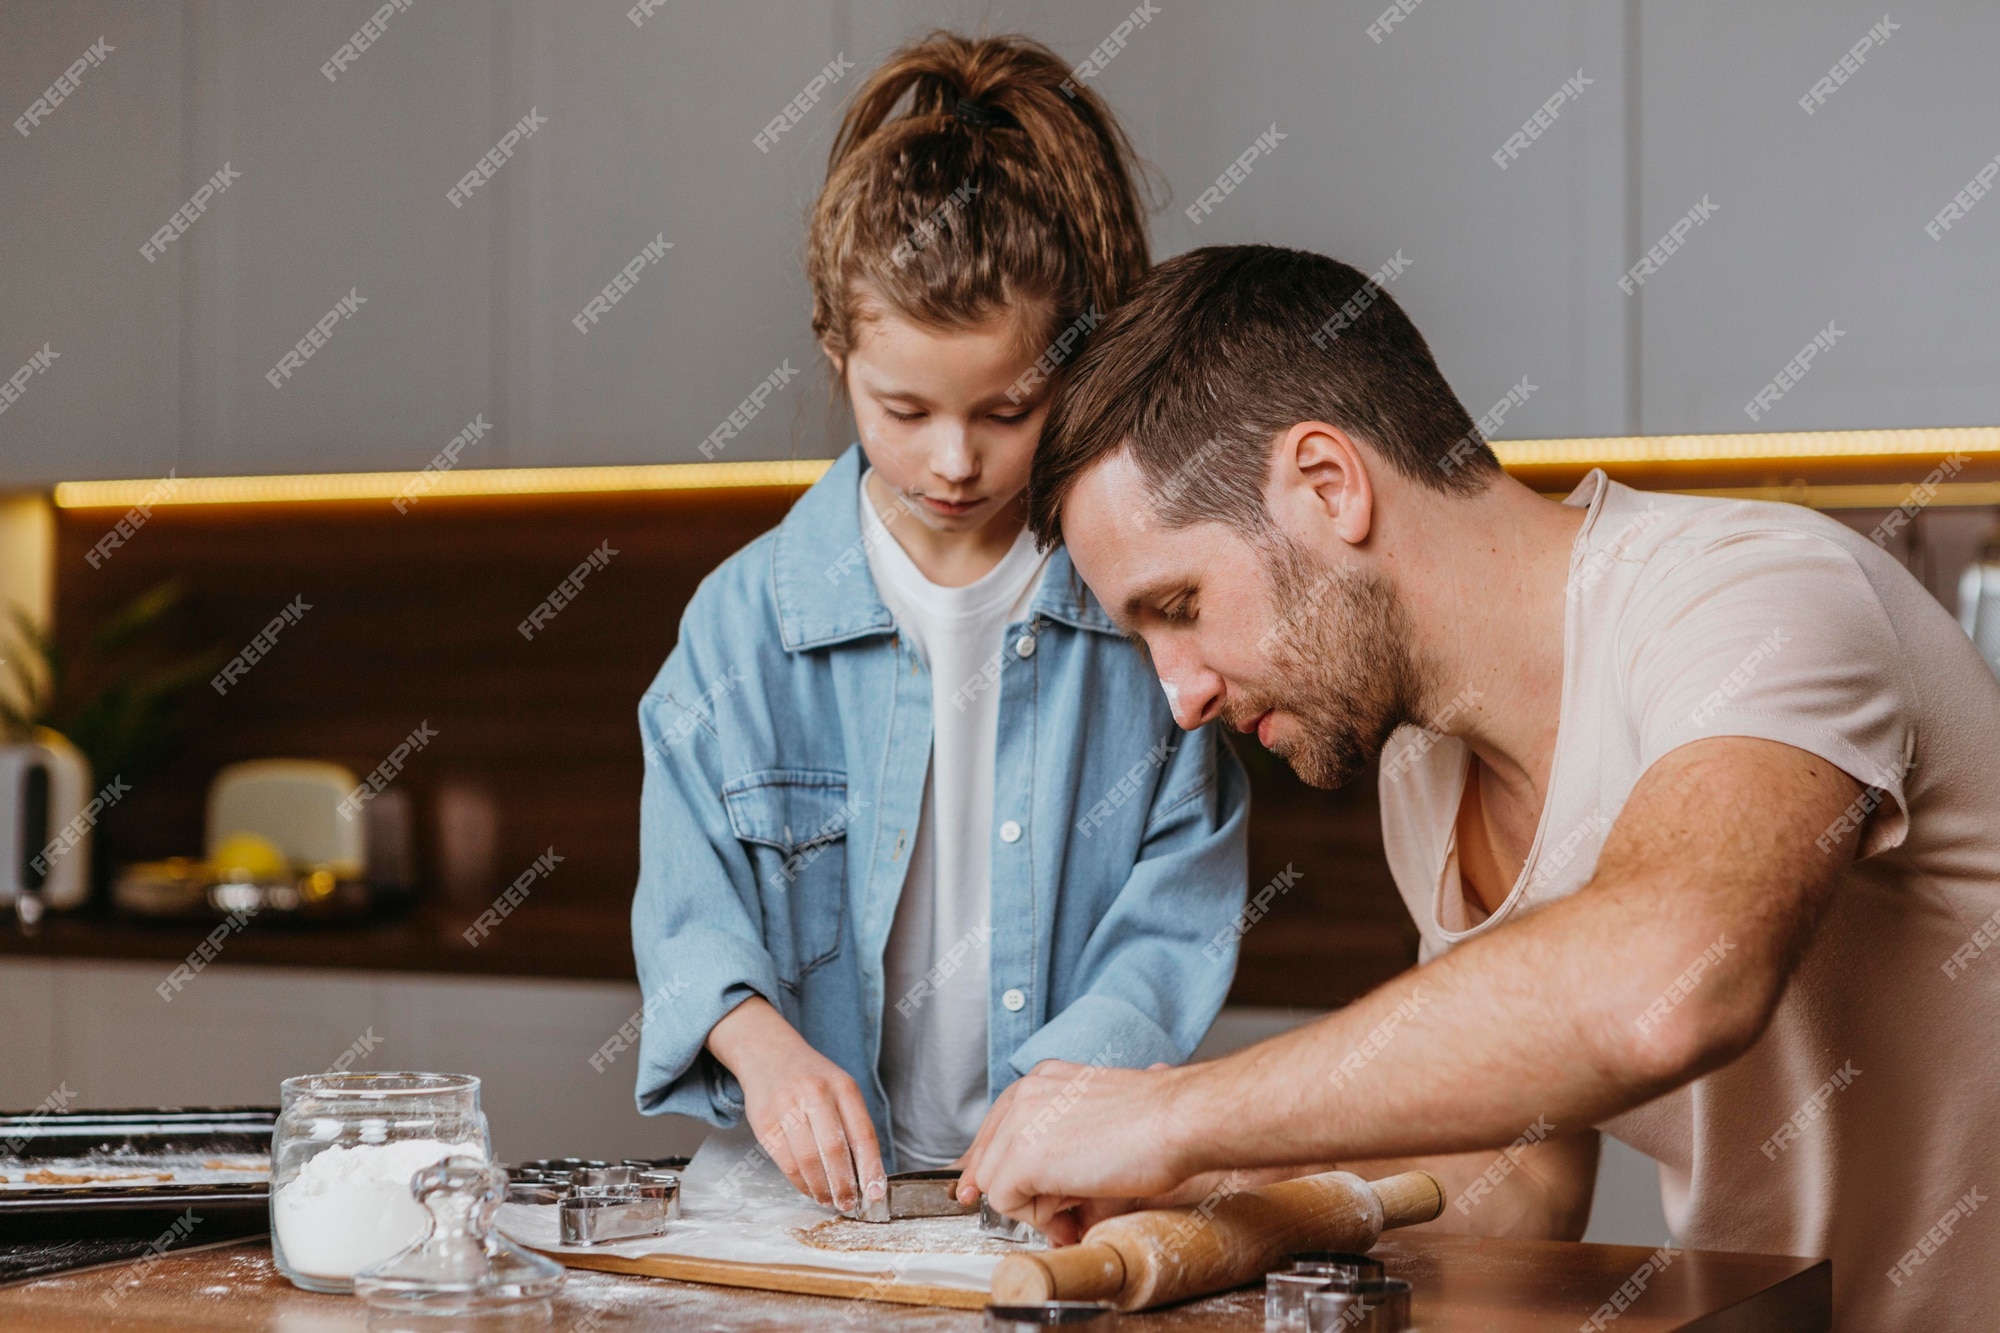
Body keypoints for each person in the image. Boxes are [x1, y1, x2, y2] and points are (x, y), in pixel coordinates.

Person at [962, 244, 2000, 1331]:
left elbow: (1666, 986)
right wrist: (1205, 1191)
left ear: (1327, 483)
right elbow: (1517, 1184)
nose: (1176, 695)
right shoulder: (1423, 765)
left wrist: (1174, 1114)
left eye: (1176, 604)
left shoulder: (1752, 598)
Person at [629, 35, 1248, 1218]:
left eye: (1008, 410)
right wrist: (761, 1047)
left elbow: (1177, 902)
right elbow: (685, 895)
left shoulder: (1143, 622)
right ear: (836, 353)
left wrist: (1069, 1088)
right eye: (901, 410)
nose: (953, 461)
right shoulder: (742, 623)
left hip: (1068, 1194)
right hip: (796, 1209)